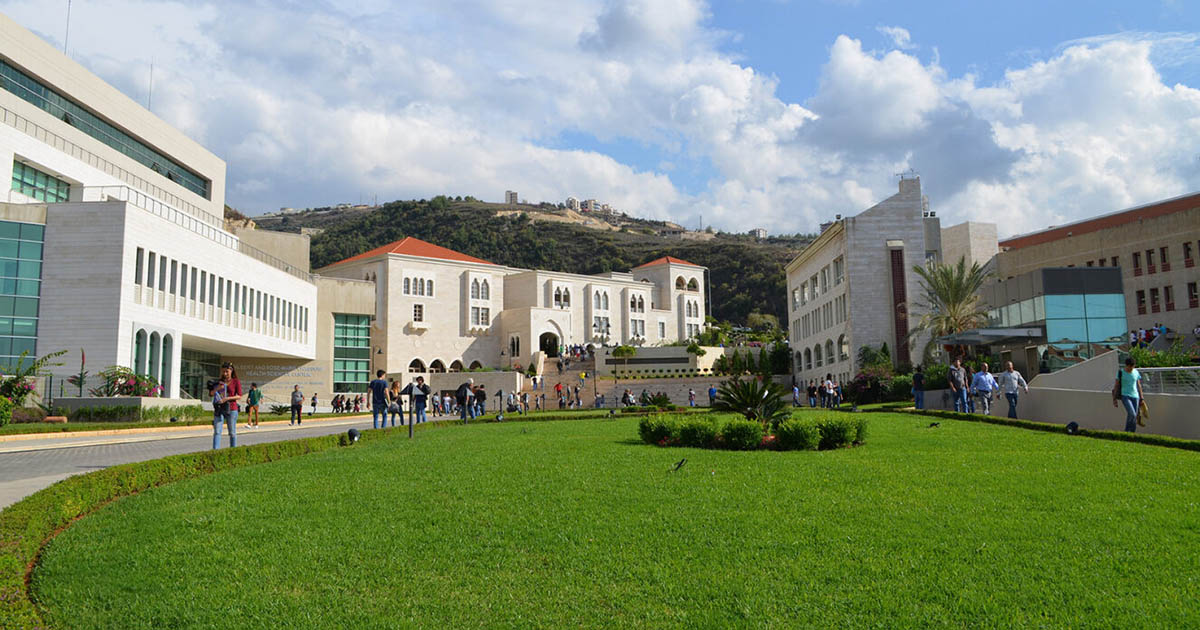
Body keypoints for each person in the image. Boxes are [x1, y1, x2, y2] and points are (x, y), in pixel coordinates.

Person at [210, 362, 242, 449]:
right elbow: (211, 393)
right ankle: (215, 451)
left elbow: (239, 396)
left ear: (231, 371)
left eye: (227, 371)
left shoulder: (236, 381)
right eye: (223, 371)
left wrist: (227, 398)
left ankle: (233, 450)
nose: (225, 374)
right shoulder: (219, 382)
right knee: (217, 431)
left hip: (231, 409)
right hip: (219, 408)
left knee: (232, 432)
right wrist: (217, 388)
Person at [1113, 356, 1145, 432]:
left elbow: (1139, 385)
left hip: (1135, 396)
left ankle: (1132, 433)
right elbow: (1116, 385)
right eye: (1130, 366)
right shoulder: (1121, 372)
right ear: (1126, 365)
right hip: (1125, 396)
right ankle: (1127, 431)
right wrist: (1114, 399)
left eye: (1132, 366)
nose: (1131, 368)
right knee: (1132, 414)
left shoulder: (1136, 372)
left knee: (1134, 415)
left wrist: (1141, 397)